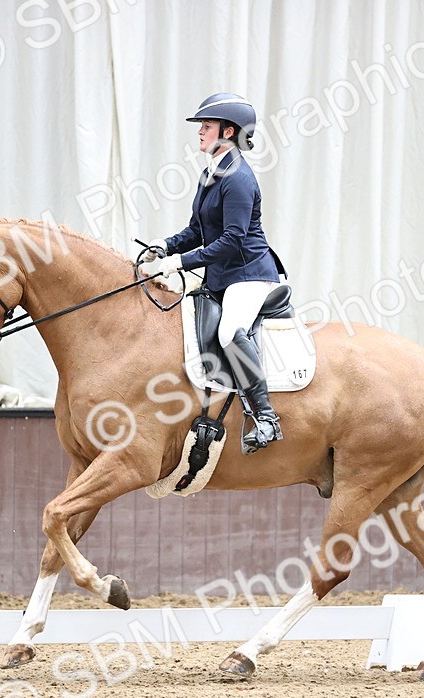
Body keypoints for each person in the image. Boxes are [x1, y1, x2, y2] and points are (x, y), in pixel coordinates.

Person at [141, 92, 284, 453]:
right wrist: (166, 246)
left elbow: (234, 240)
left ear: (228, 130)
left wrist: (183, 263)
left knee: (229, 333)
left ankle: (266, 417)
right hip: (223, 275)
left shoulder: (238, 178)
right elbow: (197, 230)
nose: (200, 132)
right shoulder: (213, 172)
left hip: (249, 274)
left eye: (206, 126)